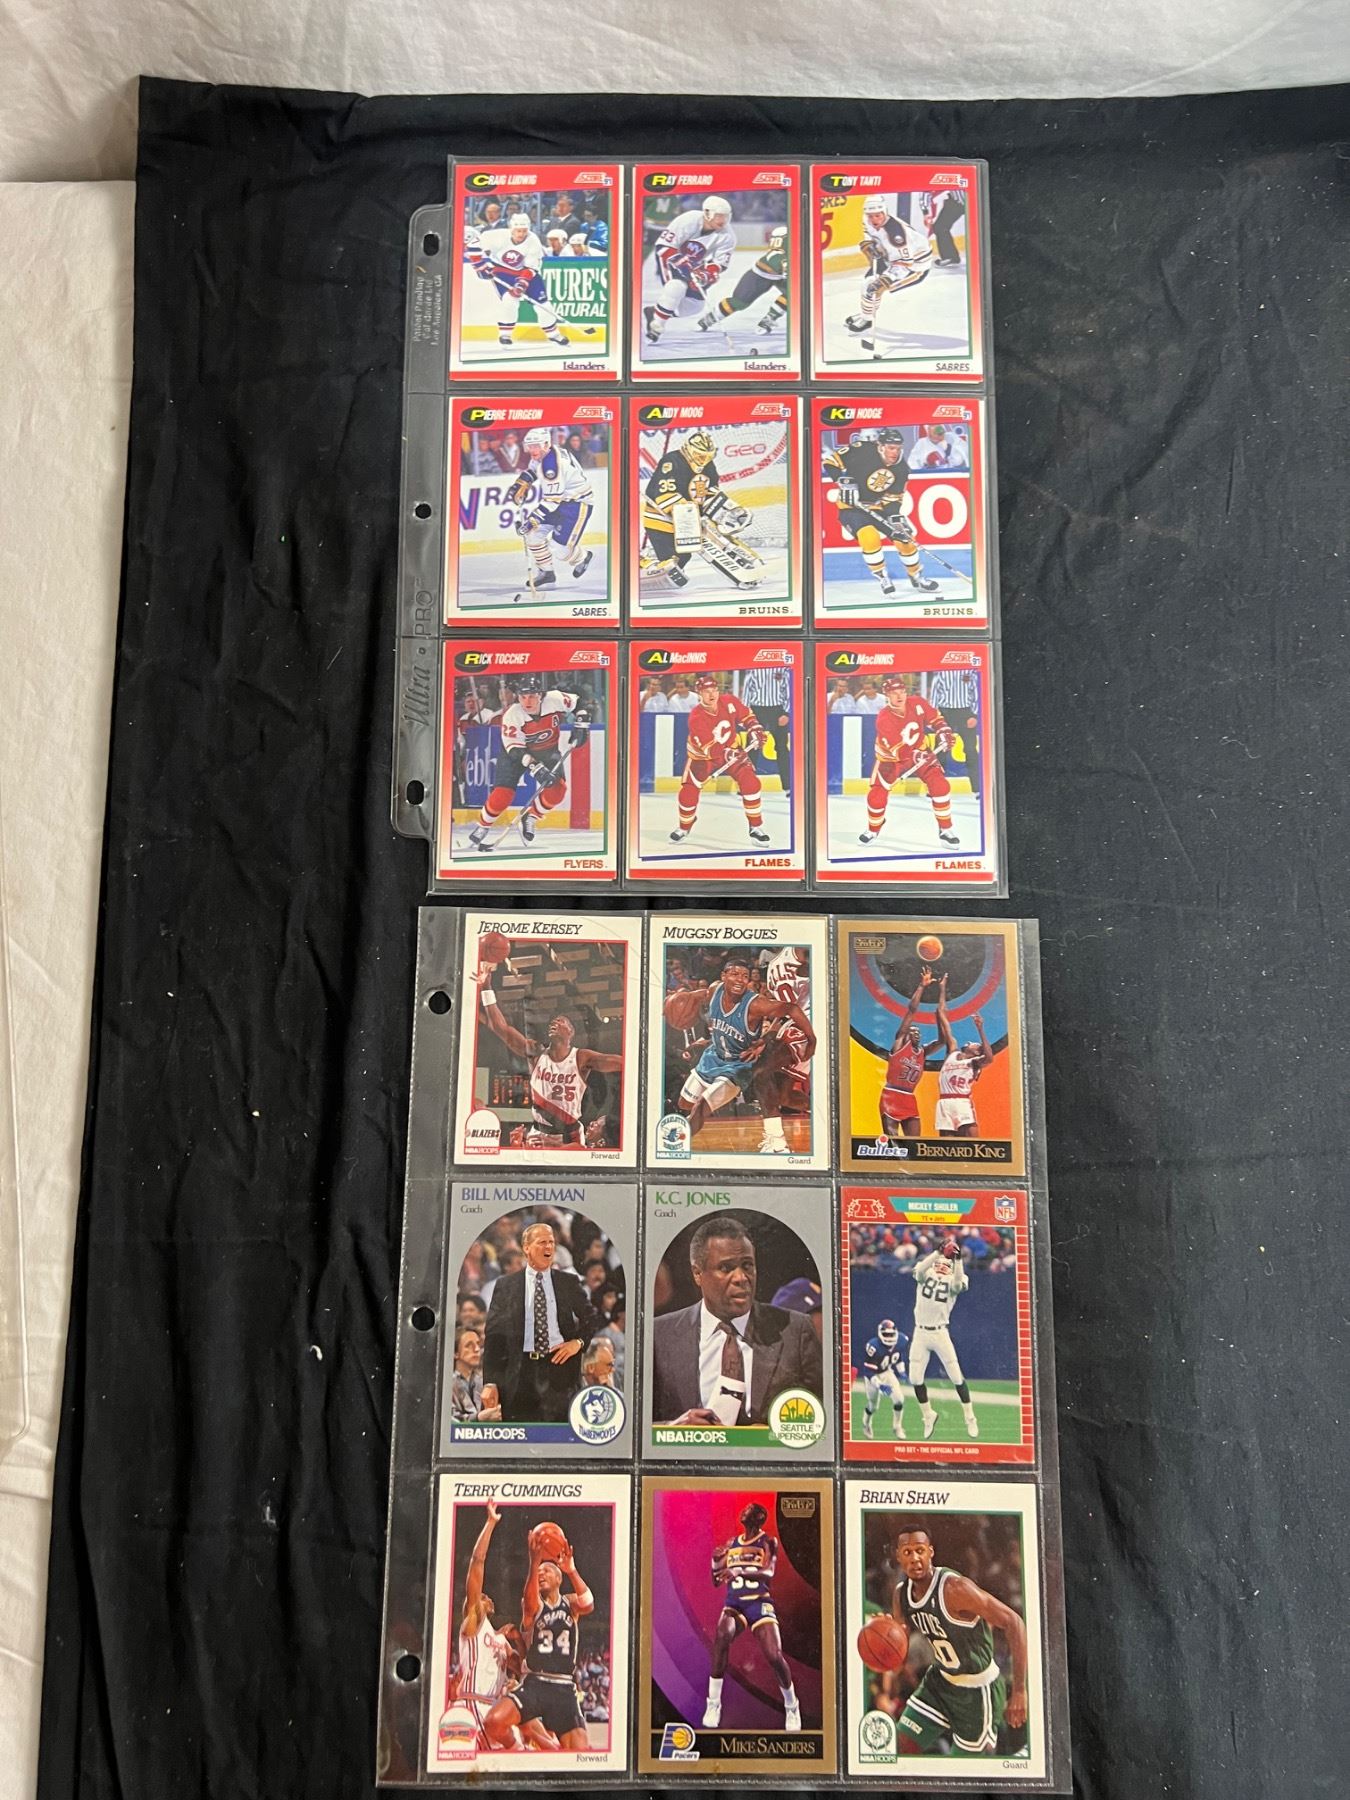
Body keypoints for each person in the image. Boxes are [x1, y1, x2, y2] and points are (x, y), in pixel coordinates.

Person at [651, 1213, 822, 1425]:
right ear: (697, 1273)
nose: (741, 1278)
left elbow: (824, 1418)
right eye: (726, 1268)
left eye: (747, 1266)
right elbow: (636, 1423)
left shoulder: (796, 1330)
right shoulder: (660, 1335)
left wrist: (773, 1433)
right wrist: (674, 1428)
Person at [889, 1525, 1028, 1753]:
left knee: (966, 1768)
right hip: (940, 1682)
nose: (914, 1558)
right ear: (898, 1556)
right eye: (907, 1552)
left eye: (920, 1550)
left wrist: (1020, 1690)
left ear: (931, 1552)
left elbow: (1015, 1622)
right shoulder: (901, 1594)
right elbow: (899, 1654)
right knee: (898, 1747)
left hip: (977, 1690)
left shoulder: (955, 1589)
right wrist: (886, 1635)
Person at [667, 953, 815, 1155]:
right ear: (723, 976)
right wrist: (683, 999)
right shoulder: (714, 990)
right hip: (712, 1058)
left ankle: (673, 1145)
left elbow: (791, 1008)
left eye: (745, 976)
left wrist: (811, 1039)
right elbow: (700, 995)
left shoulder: (756, 1004)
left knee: (701, 1107)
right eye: (735, 974)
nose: (740, 979)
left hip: (737, 1067)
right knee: (684, 1103)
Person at [482, 1221, 602, 1422]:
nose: (548, 1247)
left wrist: (578, 1343)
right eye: (542, 1242)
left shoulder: (568, 1282)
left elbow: (592, 1317)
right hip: (520, 1375)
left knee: (559, 1434)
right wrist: (490, 1382)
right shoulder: (506, 1285)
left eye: (551, 1242)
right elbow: (494, 1336)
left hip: (561, 1370)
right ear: (526, 1248)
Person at [485, 1532, 594, 1750]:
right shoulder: (532, 1604)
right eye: (540, 1572)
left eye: (547, 1571)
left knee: (580, 1754)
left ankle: (549, 1748)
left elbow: (588, 1603)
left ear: (558, 1579)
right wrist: (534, 1562)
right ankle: (519, 1749)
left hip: (564, 1687)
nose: (542, 1574)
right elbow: (530, 1601)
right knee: (493, 1722)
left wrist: (571, 1570)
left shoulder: (570, 1603)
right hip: (535, 1683)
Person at [702, 1501, 801, 1731]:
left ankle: (791, 1706)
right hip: (735, 1603)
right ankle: (713, 1704)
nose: (744, 1511)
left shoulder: (768, 1541)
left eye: (749, 1510)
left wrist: (739, 1570)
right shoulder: (732, 1543)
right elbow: (717, 1580)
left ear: (758, 1517)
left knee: (774, 1655)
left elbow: (769, 1571)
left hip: (759, 1601)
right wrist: (715, 1562)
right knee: (721, 1637)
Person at [467, 675, 590, 855]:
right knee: (502, 795)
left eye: (532, 696)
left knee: (558, 790)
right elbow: (514, 749)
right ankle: (483, 825)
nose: (527, 701)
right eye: (523, 697)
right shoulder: (513, 714)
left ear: (541, 695)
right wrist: (535, 767)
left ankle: (531, 816)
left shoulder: (555, 699)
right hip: (516, 754)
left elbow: (579, 702)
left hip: (547, 751)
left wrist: (582, 722)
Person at [641, 429, 764, 593]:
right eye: (700, 456)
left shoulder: (708, 465)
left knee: (687, 554)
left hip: (689, 517)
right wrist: (688, 516)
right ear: (688, 450)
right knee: (675, 560)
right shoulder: (672, 461)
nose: (703, 460)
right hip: (661, 521)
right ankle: (641, 565)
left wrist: (729, 510)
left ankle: (746, 564)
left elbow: (710, 491)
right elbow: (664, 494)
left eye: (707, 456)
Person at [823, 426, 939, 598]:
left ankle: (916, 576)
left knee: (905, 538)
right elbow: (830, 462)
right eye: (891, 448)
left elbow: (893, 500)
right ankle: (883, 577)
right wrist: (842, 481)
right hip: (852, 508)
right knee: (869, 537)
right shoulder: (861, 449)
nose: (895, 452)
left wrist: (895, 519)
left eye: (898, 448)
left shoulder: (901, 469)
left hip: (878, 508)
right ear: (880, 446)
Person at [438, 1499, 515, 1754]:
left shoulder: (497, 1637)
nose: (486, 1595)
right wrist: (491, 1523)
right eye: (481, 1595)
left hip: (493, 1708)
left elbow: (520, 1667)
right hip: (473, 1706)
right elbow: (477, 1561)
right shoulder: (474, 1622)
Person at [668, 672, 771, 849]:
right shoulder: (696, 717)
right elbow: (710, 749)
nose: (712, 694)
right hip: (702, 758)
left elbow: (747, 716)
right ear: (699, 694)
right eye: (706, 691)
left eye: (714, 690)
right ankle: (684, 826)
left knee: (751, 782)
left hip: (731, 750)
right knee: (688, 793)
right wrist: (728, 754)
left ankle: (755, 827)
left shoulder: (729, 701)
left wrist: (755, 729)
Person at [857, 674, 959, 850]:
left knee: (940, 785)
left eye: (902, 691)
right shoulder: (884, 718)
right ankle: (873, 829)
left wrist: (943, 731)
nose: (899, 696)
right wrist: (917, 756)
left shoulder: (917, 703)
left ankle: (945, 829)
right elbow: (899, 751)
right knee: (876, 797)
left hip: (920, 751)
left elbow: (936, 719)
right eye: (894, 693)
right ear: (886, 695)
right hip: (891, 759)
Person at [502, 426, 595, 594]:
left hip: (576, 504)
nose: (532, 450)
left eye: (536, 446)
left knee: (560, 550)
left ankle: (583, 557)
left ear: (546, 444)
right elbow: (533, 469)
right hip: (561, 501)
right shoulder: (546, 453)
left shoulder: (552, 466)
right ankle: (547, 573)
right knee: (533, 535)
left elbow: (552, 500)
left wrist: (532, 520)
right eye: (530, 446)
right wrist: (522, 482)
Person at [464, 213, 572, 350]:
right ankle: (505, 335)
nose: (521, 234)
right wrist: (480, 267)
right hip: (503, 272)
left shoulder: (533, 241)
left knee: (544, 305)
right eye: (518, 230)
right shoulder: (496, 236)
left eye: (524, 230)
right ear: (511, 229)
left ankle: (553, 334)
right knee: (509, 301)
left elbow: (531, 268)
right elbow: (473, 245)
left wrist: (521, 284)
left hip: (527, 274)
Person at [909, 1236, 979, 1439]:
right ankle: (928, 1415)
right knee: (915, 1378)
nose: (941, 1267)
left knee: (956, 1376)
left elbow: (957, 1284)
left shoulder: (955, 1278)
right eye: (938, 1264)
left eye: (945, 1265)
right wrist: (937, 1253)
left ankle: (970, 1417)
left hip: (940, 1332)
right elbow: (920, 1271)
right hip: (920, 1332)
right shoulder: (926, 1273)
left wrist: (958, 1260)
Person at [845, 197, 935, 356]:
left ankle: (867, 318)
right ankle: (867, 315)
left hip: (914, 268)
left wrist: (887, 279)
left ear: (884, 212)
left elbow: (905, 263)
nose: (874, 219)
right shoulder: (867, 219)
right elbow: (868, 233)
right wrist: (869, 244)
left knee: (872, 287)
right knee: (868, 284)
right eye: (871, 216)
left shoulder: (896, 234)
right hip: (891, 259)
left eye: (878, 215)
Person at [643, 196, 735, 344]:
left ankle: (655, 311)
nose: (723, 220)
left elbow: (720, 263)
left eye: (726, 216)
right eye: (719, 216)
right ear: (707, 213)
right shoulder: (688, 220)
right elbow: (663, 246)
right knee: (676, 287)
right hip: (670, 258)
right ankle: (657, 326)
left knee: (694, 306)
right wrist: (681, 262)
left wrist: (707, 274)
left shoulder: (728, 235)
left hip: (695, 264)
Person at [698, 223, 788, 338]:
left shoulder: (782, 251)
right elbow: (779, 260)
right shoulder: (780, 256)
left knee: (795, 294)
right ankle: (710, 318)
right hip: (759, 276)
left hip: (775, 275)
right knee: (739, 302)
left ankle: (769, 318)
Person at [880, 969, 937, 1140]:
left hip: (909, 1098)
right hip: (892, 1095)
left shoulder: (922, 1052)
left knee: (914, 1144)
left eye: (918, 1032)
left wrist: (941, 1012)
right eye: (913, 1031)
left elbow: (942, 1040)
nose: (916, 1034)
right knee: (893, 1143)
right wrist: (922, 986)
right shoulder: (899, 1045)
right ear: (906, 1035)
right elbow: (911, 1011)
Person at [934, 987, 993, 1137]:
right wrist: (942, 989)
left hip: (962, 1102)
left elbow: (989, 1058)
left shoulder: (974, 1062)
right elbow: (942, 1015)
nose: (970, 1042)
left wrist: (980, 1029)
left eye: (975, 1044)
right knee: (946, 1145)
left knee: (972, 1141)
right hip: (945, 1102)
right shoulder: (952, 1052)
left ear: (977, 1052)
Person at [858, 1318, 910, 1439]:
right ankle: (866, 1423)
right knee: (873, 1406)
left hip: (887, 1372)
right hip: (873, 1376)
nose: (889, 1337)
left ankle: (897, 1427)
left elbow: (898, 1357)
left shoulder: (901, 1340)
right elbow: (868, 1371)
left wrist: (902, 1372)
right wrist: (879, 1385)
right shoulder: (873, 1346)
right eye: (886, 1334)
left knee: (899, 1400)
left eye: (891, 1334)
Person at [449, 1326, 502, 1422]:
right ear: (455, 1353)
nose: (477, 1349)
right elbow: (449, 1419)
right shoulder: (447, 1384)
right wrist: (478, 1418)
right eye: (469, 1345)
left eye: (478, 1344)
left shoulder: (483, 1382)